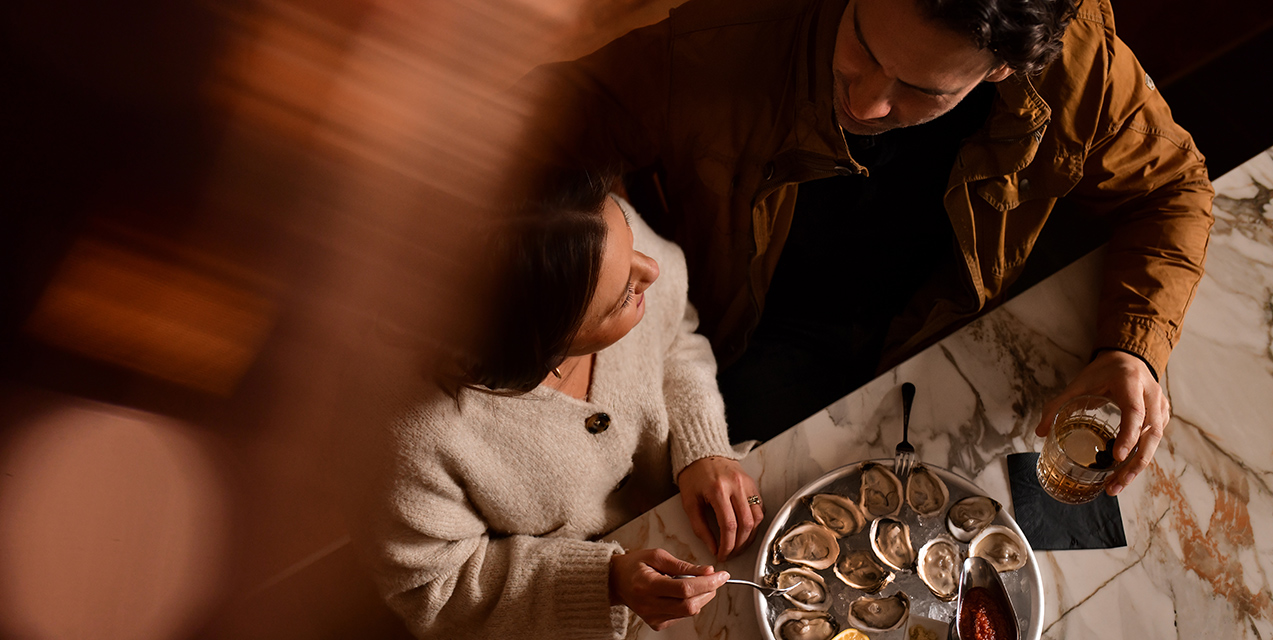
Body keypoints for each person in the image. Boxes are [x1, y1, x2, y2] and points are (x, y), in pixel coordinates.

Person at [517, 0, 1214, 497]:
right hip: (757, 341)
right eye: (862, 49)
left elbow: (1174, 188)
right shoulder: (723, 36)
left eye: (919, 88)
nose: (869, 104)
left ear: (1003, 70)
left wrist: (1131, 347)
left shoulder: (1078, 60)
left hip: (950, 334)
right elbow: (528, 135)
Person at [345, 169, 763, 639]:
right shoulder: (406, 439)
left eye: (626, 227)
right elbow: (434, 587)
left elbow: (676, 336)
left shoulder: (586, 228)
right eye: (625, 296)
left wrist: (703, 448)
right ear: (546, 351)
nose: (653, 269)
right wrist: (604, 583)